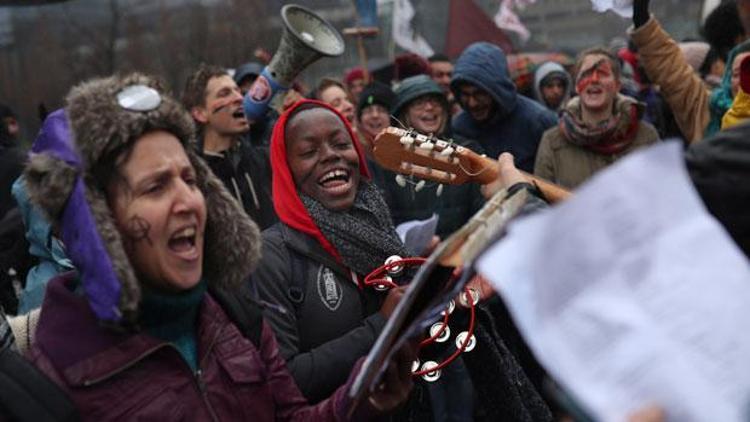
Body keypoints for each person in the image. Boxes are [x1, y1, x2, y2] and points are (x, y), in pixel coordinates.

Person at [21, 73, 412, 420]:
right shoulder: (51, 382)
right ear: (96, 220)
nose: (189, 202)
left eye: (190, 180)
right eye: (156, 186)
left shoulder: (230, 314)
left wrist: (358, 403)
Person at [251, 98, 410, 405]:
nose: (331, 156)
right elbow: (287, 380)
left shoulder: (380, 230)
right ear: (286, 170)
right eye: (309, 152)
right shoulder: (270, 256)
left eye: (341, 143)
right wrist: (381, 326)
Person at [534, 47, 660, 189]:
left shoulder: (646, 136)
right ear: (576, 86)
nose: (594, 80)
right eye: (586, 74)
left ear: (617, 85)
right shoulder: (552, 142)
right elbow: (542, 201)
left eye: (602, 74)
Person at [629, 0, 750, 142]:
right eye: (736, 74)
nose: (743, 80)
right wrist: (641, 15)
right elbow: (670, 68)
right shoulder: (707, 111)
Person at [385, 74, 485, 239]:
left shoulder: (467, 150)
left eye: (435, 101)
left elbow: (482, 207)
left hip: (461, 255)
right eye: (419, 103)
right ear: (404, 112)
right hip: (414, 260)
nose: (430, 107)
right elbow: (388, 219)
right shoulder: (391, 159)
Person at [183, 64, 278, 229]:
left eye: (237, 91)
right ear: (200, 113)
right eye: (225, 93)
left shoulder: (266, 160)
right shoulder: (193, 179)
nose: (240, 98)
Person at [450, 42, 558, 173]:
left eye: (479, 94)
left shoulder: (539, 120)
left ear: (497, 90)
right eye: (465, 95)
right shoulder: (459, 127)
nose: (472, 103)